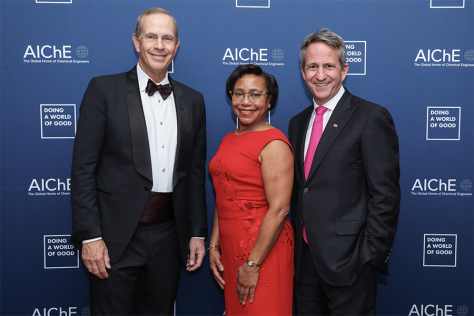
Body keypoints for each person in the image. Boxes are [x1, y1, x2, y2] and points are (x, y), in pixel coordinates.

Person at [69, 8, 207, 316]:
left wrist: (197, 232)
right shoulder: (103, 90)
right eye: (151, 36)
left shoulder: (194, 100)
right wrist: (91, 236)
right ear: (136, 41)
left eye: (167, 38)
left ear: (177, 45)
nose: (159, 45)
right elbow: (82, 171)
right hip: (114, 238)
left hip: (170, 237)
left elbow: (195, 175)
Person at [288, 29, 401, 316]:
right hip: (304, 263)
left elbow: (385, 195)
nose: (320, 75)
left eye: (329, 66)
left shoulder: (371, 116)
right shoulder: (297, 123)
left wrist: (368, 255)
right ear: (303, 72)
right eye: (313, 66)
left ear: (344, 70)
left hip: (351, 263)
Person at [208, 64, 294, 316]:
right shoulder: (229, 138)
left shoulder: (274, 143)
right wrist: (214, 246)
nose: (246, 101)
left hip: (263, 251)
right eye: (238, 93)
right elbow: (224, 194)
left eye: (256, 94)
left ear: (270, 100)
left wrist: (253, 264)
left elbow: (280, 210)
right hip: (232, 248)